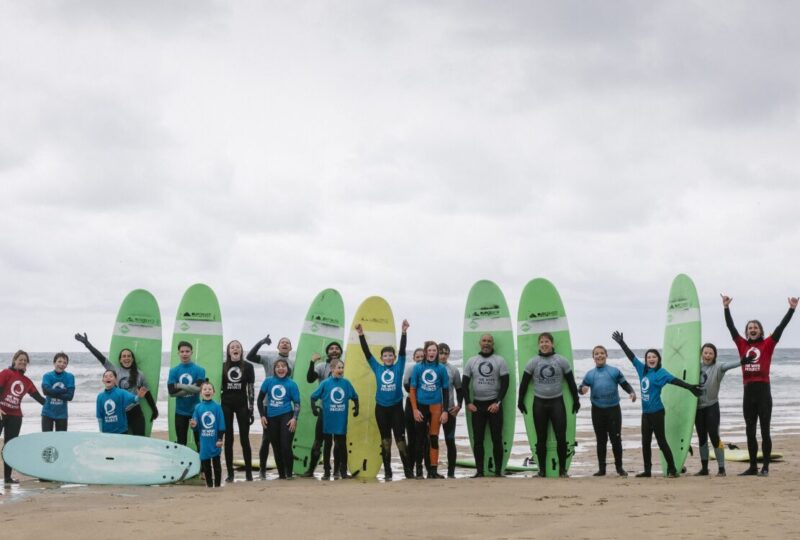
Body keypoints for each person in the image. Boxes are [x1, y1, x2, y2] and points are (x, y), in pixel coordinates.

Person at [721, 294, 797, 476]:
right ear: (746, 332)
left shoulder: (767, 344)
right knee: (749, 431)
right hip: (748, 392)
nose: (752, 330)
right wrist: (726, 308)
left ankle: (765, 468)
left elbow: (781, 328)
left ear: (760, 331)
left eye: (755, 328)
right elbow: (731, 328)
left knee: (764, 430)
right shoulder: (741, 344)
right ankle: (753, 466)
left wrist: (791, 309)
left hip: (763, 391)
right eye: (749, 328)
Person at [611, 331, 701, 477]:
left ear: (658, 359)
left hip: (658, 412)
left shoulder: (661, 373)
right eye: (648, 357)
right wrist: (622, 343)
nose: (651, 359)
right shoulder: (642, 370)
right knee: (645, 442)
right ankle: (647, 471)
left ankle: (672, 469)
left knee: (661, 441)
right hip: (645, 413)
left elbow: (676, 381)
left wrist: (690, 387)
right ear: (646, 360)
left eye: (654, 357)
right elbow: (631, 357)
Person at [356, 319, 413, 480]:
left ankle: (408, 470)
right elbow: (367, 353)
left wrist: (403, 332)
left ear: (394, 357)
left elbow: (402, 351)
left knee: (400, 439)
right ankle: (388, 471)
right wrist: (361, 334)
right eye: (385, 355)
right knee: (385, 440)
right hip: (381, 408)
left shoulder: (399, 366)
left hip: (396, 408)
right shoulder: (377, 367)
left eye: (390, 355)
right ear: (381, 358)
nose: (388, 358)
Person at [518, 333, 580, 478]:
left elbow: (571, 382)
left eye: (547, 341)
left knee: (561, 436)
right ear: (538, 345)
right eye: (541, 342)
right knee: (541, 438)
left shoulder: (561, 361)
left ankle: (563, 471)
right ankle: (542, 471)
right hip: (539, 402)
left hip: (557, 402)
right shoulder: (533, 362)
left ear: (552, 344)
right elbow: (524, 384)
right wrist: (520, 400)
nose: (544, 344)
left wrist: (576, 400)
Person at [75, 332, 158, 436]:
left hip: (135, 411)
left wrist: (154, 409)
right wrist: (87, 344)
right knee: (121, 441)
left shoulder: (139, 374)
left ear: (132, 359)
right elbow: (100, 357)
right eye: (124, 356)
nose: (126, 358)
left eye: (129, 356)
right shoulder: (114, 371)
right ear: (120, 359)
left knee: (139, 439)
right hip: (119, 412)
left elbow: (146, 393)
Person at [578, 345, 636, 477]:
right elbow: (581, 388)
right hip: (597, 410)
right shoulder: (590, 374)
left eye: (602, 353)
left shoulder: (614, 371)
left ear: (606, 355)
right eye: (596, 354)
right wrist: (582, 390)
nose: (599, 356)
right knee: (601, 440)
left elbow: (624, 384)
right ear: (593, 357)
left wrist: (632, 392)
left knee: (616, 439)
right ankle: (602, 469)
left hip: (613, 409)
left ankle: (619, 468)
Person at [694, 343, 748, 476]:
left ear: (714, 356)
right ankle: (705, 469)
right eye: (705, 353)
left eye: (710, 353)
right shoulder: (695, 366)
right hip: (697, 408)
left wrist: (741, 362)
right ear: (701, 354)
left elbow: (728, 365)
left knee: (714, 436)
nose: (707, 356)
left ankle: (721, 469)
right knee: (701, 438)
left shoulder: (718, 367)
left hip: (712, 406)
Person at [247, 334, 295, 478]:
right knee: (267, 439)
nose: (285, 344)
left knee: (284, 441)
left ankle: (286, 470)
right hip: (268, 406)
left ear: (291, 347)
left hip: (284, 407)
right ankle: (262, 469)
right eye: (282, 342)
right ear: (278, 346)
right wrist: (261, 342)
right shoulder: (269, 359)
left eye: (287, 342)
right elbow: (250, 356)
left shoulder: (293, 362)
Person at [463, 334, 509, 478]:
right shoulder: (472, 361)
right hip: (477, 406)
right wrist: (468, 402)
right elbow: (464, 384)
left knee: (497, 439)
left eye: (489, 341)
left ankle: (498, 472)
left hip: (494, 404)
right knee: (478, 440)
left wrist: (498, 402)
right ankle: (480, 471)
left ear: (493, 343)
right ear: (479, 343)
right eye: (484, 341)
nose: (486, 343)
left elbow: (505, 383)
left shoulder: (499, 360)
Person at [0, 350, 46, 484]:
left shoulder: (27, 381)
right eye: (20, 359)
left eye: (25, 360)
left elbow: (40, 399)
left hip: (15, 416)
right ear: (14, 360)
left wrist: (56, 404)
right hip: (1, 413)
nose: (23, 362)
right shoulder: (6, 373)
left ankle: (7, 478)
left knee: (9, 447)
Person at [310, 358, 359, 480]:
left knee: (342, 445)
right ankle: (327, 471)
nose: (341, 370)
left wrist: (356, 408)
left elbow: (355, 396)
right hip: (328, 420)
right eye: (338, 368)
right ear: (332, 369)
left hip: (341, 420)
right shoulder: (325, 383)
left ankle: (343, 472)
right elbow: (313, 396)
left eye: (342, 368)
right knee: (327, 445)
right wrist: (314, 409)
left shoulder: (346, 383)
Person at [302, 341, 343, 478]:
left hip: (339, 412)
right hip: (324, 411)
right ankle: (311, 470)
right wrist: (312, 362)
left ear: (340, 352)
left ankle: (337, 471)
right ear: (327, 352)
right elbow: (309, 379)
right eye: (331, 348)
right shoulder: (321, 367)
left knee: (338, 442)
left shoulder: (343, 366)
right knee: (318, 442)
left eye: (337, 348)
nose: (334, 350)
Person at [409, 341, 450, 479]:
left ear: (437, 352)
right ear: (425, 352)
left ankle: (433, 471)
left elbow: (445, 390)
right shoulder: (418, 368)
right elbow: (412, 390)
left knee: (433, 438)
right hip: (421, 406)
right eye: (430, 350)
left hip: (436, 407)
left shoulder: (441, 369)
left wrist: (445, 411)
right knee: (419, 439)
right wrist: (414, 409)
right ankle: (419, 471)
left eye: (434, 350)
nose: (432, 353)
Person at [257, 357, 301, 479]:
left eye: (283, 366)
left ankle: (289, 473)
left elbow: (297, 403)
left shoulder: (292, 384)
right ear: (274, 369)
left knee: (286, 446)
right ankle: (281, 474)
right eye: (278, 367)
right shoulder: (268, 381)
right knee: (276, 446)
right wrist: (262, 416)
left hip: (286, 416)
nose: (281, 368)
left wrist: (294, 418)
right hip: (271, 417)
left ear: (288, 369)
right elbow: (260, 399)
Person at [221, 340, 255, 482]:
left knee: (244, 439)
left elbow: (251, 389)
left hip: (242, 405)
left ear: (241, 350)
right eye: (232, 347)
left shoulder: (248, 366)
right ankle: (230, 473)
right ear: (229, 351)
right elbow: (217, 388)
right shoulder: (222, 367)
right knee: (228, 439)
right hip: (226, 405)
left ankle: (248, 473)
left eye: (238, 347)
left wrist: (251, 409)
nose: (235, 349)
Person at [167, 341, 206, 447]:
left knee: (199, 441)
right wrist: (192, 388)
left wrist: (179, 385)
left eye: (187, 351)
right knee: (181, 442)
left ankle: (202, 463)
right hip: (180, 412)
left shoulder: (200, 370)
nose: (185, 354)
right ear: (178, 353)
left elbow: (199, 389)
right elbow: (171, 392)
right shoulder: (174, 371)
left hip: (196, 410)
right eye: (182, 351)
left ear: (191, 352)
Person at [191, 381, 226, 488]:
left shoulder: (217, 407)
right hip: (204, 441)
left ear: (214, 392)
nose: (207, 391)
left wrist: (220, 439)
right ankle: (210, 485)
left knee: (216, 465)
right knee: (206, 465)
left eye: (210, 389)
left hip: (215, 440)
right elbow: (195, 426)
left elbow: (221, 424)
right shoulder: (198, 407)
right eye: (205, 389)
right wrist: (193, 425)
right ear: (201, 393)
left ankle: (218, 485)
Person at [438, 343, 463, 478]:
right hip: (434, 410)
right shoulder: (431, 368)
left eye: (446, 353)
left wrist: (459, 405)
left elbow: (459, 389)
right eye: (441, 353)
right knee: (431, 441)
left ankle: (451, 472)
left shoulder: (453, 370)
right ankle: (432, 471)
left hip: (450, 410)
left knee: (450, 440)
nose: (443, 356)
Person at [403, 347, 426, 477]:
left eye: (422, 357)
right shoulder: (410, 368)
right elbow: (406, 385)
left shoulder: (428, 369)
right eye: (417, 357)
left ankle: (420, 468)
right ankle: (409, 468)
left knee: (422, 439)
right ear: (413, 358)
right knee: (411, 438)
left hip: (424, 405)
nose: (420, 359)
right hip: (410, 404)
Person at [41, 352, 76, 432]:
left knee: (61, 441)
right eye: (59, 361)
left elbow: (70, 396)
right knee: (47, 439)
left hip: (62, 415)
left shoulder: (70, 377)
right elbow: (45, 391)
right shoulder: (47, 376)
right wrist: (63, 390)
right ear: (54, 362)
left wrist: (52, 392)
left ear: (66, 365)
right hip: (47, 413)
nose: (62, 364)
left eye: (65, 362)